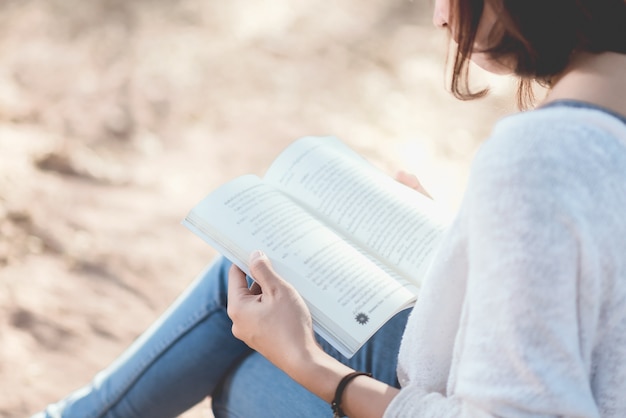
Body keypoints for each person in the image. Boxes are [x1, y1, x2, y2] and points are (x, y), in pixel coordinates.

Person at [35, 0, 626, 416]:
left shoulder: (540, 157)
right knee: (258, 269)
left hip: (440, 387)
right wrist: (466, 249)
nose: (442, 15)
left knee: (251, 365)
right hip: (452, 357)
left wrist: (313, 367)